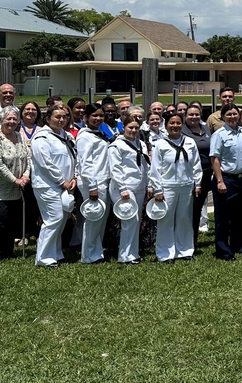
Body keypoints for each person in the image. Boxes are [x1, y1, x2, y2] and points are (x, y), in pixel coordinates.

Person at [149, 113, 202, 262]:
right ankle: (165, 253)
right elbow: (155, 169)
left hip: (186, 185)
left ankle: (184, 251)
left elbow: (196, 164)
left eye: (178, 123)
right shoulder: (160, 144)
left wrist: (197, 183)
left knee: (184, 218)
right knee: (166, 220)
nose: (175, 126)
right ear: (166, 126)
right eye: (172, 123)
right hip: (168, 186)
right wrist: (158, 189)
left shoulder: (190, 142)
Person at [0, 105, 30, 262]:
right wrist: (14, 179)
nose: (12, 121)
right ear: (1, 120)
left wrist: (25, 175)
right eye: (8, 118)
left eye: (15, 119)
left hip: (15, 188)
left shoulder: (20, 136)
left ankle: (8, 252)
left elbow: (28, 158)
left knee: (10, 221)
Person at [31, 105, 77, 268]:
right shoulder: (41, 138)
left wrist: (74, 178)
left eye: (64, 116)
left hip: (66, 185)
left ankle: (56, 252)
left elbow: (74, 157)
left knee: (62, 219)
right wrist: (61, 181)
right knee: (53, 219)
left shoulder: (66, 136)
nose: (62, 120)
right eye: (57, 117)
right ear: (47, 118)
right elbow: (45, 164)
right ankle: (43, 257)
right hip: (47, 186)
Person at [209, 104, 242, 260]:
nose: (232, 117)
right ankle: (223, 250)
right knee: (223, 217)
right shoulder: (219, 134)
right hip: (227, 179)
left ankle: (240, 246)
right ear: (223, 117)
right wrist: (220, 181)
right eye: (229, 114)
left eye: (235, 114)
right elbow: (214, 158)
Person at [109, 119, 152, 264]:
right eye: (130, 127)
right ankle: (124, 255)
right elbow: (115, 168)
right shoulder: (116, 145)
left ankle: (133, 253)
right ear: (123, 128)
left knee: (136, 221)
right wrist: (123, 188)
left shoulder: (139, 143)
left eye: (136, 128)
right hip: (124, 187)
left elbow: (145, 165)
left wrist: (148, 184)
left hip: (139, 186)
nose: (133, 130)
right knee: (129, 221)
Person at [76, 104, 112, 264]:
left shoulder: (99, 133)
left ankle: (97, 251)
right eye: (94, 116)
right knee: (93, 219)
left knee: (101, 219)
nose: (98, 119)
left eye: (100, 116)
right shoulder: (85, 136)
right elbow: (85, 163)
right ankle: (89, 255)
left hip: (103, 180)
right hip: (93, 182)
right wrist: (92, 186)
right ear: (86, 118)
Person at [182, 105, 213, 239]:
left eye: (197, 114)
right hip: (189, 174)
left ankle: (193, 238)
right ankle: (187, 238)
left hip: (206, 172)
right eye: (191, 114)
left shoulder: (205, 128)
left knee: (199, 205)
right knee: (190, 208)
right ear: (185, 116)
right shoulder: (182, 130)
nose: (194, 117)